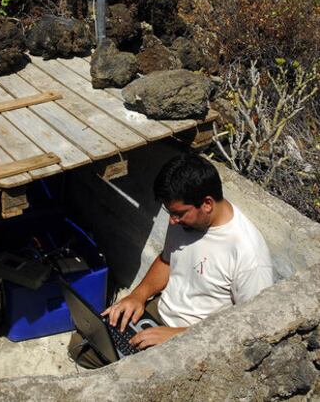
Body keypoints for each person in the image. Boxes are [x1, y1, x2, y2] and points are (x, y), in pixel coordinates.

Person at [69, 150, 274, 367]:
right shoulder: (185, 219)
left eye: (178, 213)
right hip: (160, 312)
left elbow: (251, 328)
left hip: (197, 337)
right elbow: (167, 260)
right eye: (170, 213)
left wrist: (178, 336)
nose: (173, 221)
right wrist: (137, 296)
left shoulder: (248, 254)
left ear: (207, 203)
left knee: (130, 376)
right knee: (84, 345)